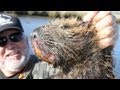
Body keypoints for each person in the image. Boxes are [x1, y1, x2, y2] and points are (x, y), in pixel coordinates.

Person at [0, 11, 118, 79]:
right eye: (1, 41)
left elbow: (81, 67)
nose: (10, 45)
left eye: (15, 37)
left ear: (25, 40)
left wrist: (91, 37)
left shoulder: (48, 68)